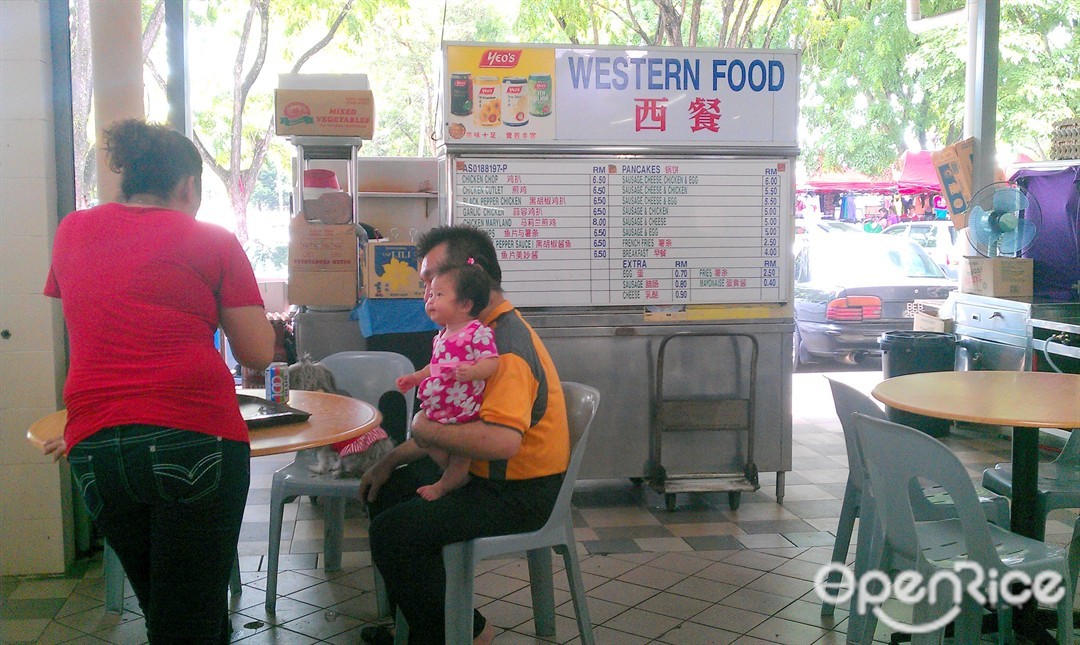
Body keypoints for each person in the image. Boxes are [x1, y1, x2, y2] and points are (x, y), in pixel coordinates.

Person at [42, 119, 275, 644]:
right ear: (188, 186)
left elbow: (97, 329)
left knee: (174, 611)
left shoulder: (71, 230)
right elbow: (257, 353)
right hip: (194, 436)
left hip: (95, 448)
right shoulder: (210, 239)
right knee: (186, 619)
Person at [359, 225, 570, 645]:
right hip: (487, 477)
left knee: (394, 534)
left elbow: (502, 442)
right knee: (388, 490)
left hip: (519, 493)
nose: (427, 293)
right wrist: (389, 459)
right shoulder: (466, 336)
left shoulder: (502, 344)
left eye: (433, 281)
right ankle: (426, 623)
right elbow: (454, 424)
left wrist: (422, 426)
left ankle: (467, 633)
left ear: (469, 283)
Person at [395, 262, 499, 502]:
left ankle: (446, 485)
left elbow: (492, 362)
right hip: (438, 407)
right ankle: (452, 475)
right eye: (430, 294)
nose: (430, 300)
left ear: (465, 304)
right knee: (429, 440)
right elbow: (435, 367)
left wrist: (473, 372)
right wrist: (415, 378)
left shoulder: (477, 331)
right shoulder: (442, 335)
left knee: (461, 454)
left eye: (439, 295)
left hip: (464, 410)